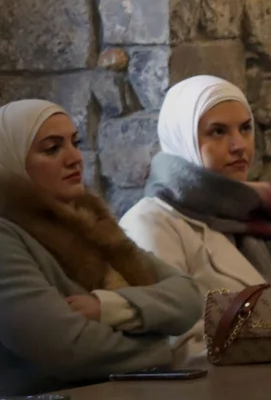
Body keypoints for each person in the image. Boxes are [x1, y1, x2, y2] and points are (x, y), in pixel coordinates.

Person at [0, 100, 203, 395]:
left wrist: (108, 308)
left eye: (75, 143)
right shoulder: (7, 237)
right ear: (11, 162)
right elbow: (70, 349)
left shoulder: (90, 223)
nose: (75, 158)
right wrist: (163, 344)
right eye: (52, 149)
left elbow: (188, 296)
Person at [120, 75, 271, 362]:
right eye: (218, 132)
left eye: (245, 128)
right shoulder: (151, 224)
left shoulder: (251, 214)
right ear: (183, 137)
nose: (239, 145)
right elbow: (176, 345)